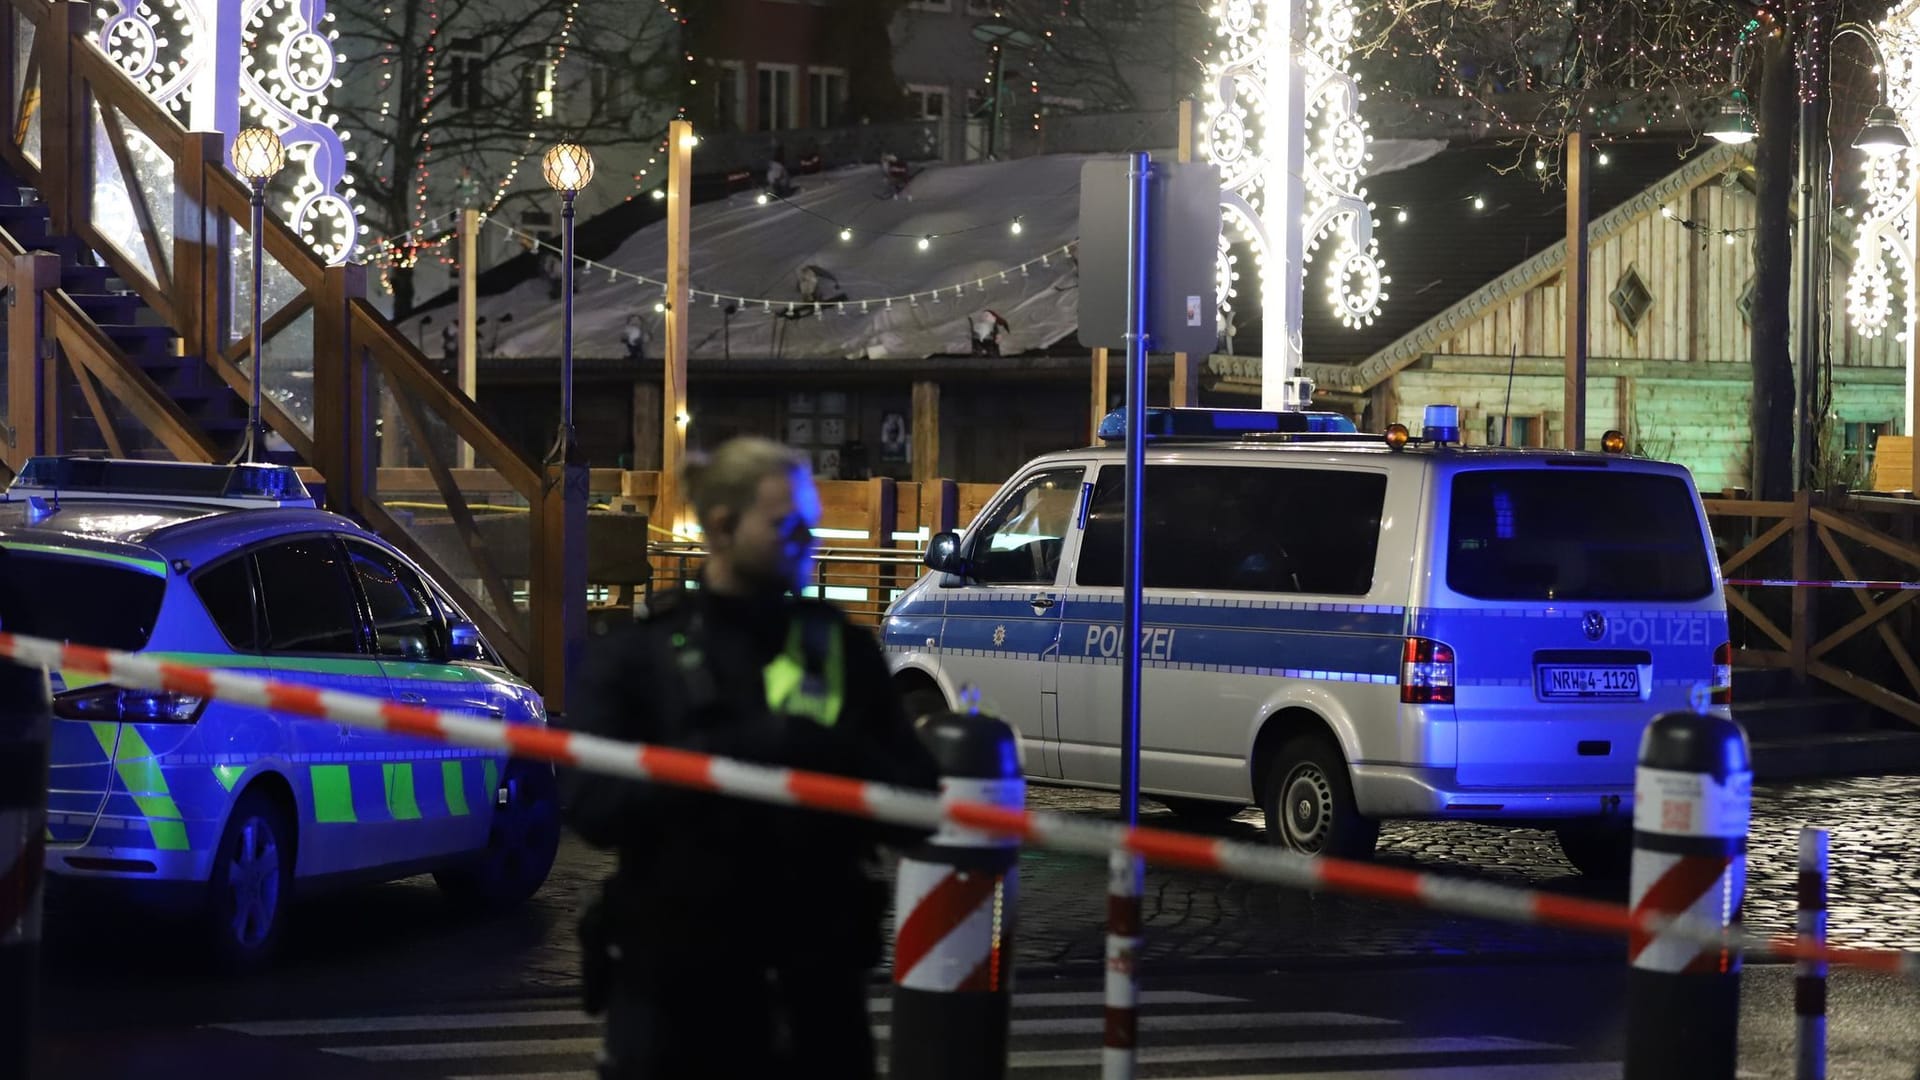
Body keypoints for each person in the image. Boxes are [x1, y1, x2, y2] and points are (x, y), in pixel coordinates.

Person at [564, 436, 939, 1080]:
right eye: (785, 525)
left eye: (808, 524)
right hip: (679, 993)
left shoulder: (839, 651)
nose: (806, 540)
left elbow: (919, 805)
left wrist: (834, 758)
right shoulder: (642, 658)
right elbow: (591, 806)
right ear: (722, 526)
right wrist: (715, 761)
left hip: (814, 988)